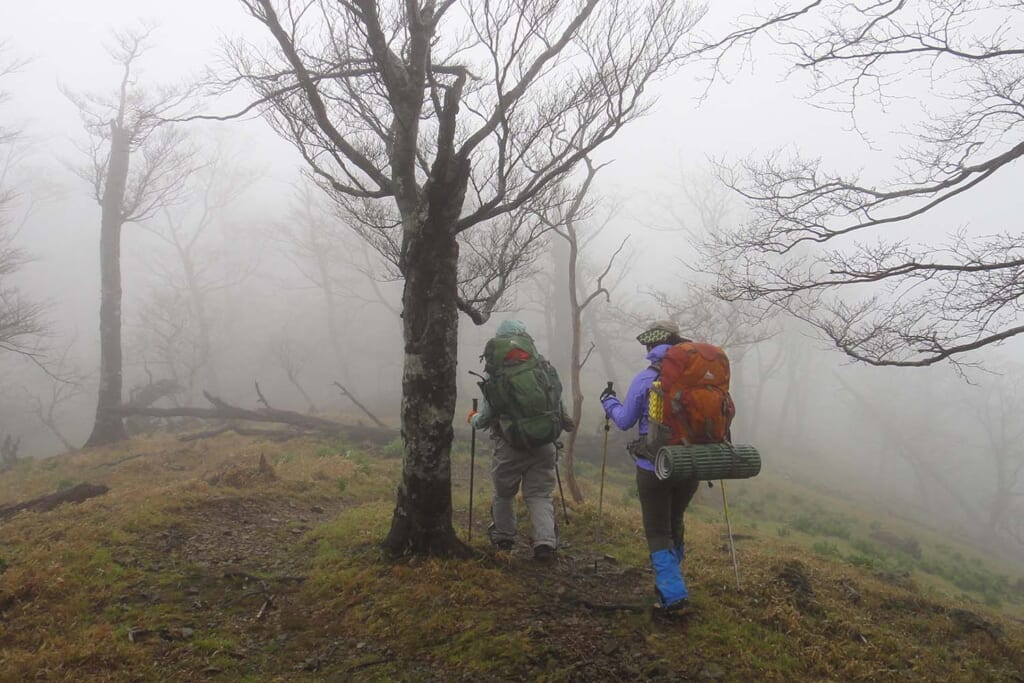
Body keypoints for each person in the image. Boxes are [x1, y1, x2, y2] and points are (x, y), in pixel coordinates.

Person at [600, 319, 700, 611]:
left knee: (657, 530)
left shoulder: (647, 379)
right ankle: (671, 575)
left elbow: (624, 420)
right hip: (691, 462)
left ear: (652, 346)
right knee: (675, 520)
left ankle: (673, 596)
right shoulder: (696, 377)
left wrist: (609, 402)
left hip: (653, 466)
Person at [468, 319, 574, 561]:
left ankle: (504, 539)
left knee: (504, 493)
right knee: (539, 495)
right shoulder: (542, 367)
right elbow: (560, 406)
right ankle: (545, 544)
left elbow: (486, 416)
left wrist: (473, 419)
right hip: (545, 443)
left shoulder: (495, 371)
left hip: (510, 446)